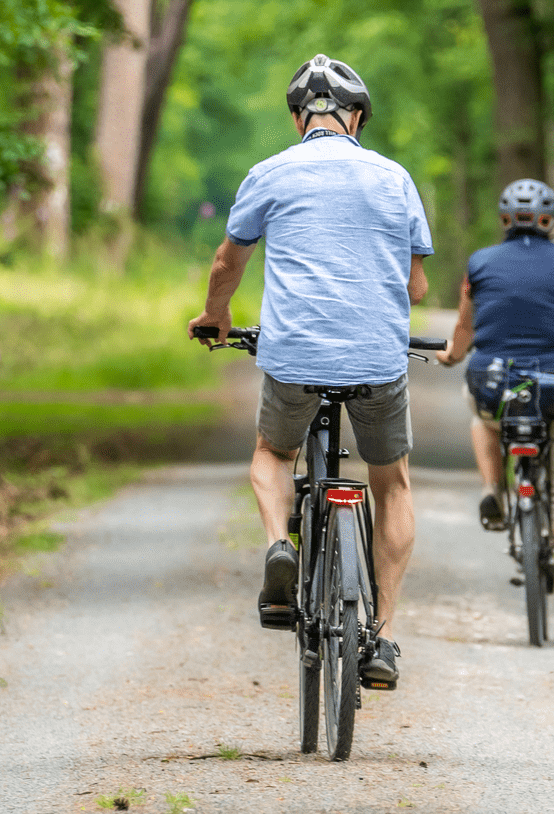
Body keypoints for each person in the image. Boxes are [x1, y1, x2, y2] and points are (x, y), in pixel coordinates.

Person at [187, 54, 433, 687]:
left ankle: (280, 547)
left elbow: (226, 263)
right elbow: (417, 282)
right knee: (393, 482)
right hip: (378, 357)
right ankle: (382, 637)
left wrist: (217, 317)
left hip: (294, 354)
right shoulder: (393, 177)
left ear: (299, 118)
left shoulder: (269, 173)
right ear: (357, 117)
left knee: (272, 453)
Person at [435, 178, 554, 620]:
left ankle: (493, 487)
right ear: (549, 220)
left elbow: (464, 329)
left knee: (480, 412)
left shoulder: (479, 264)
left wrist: (452, 355)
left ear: (504, 219)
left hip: (494, 383)